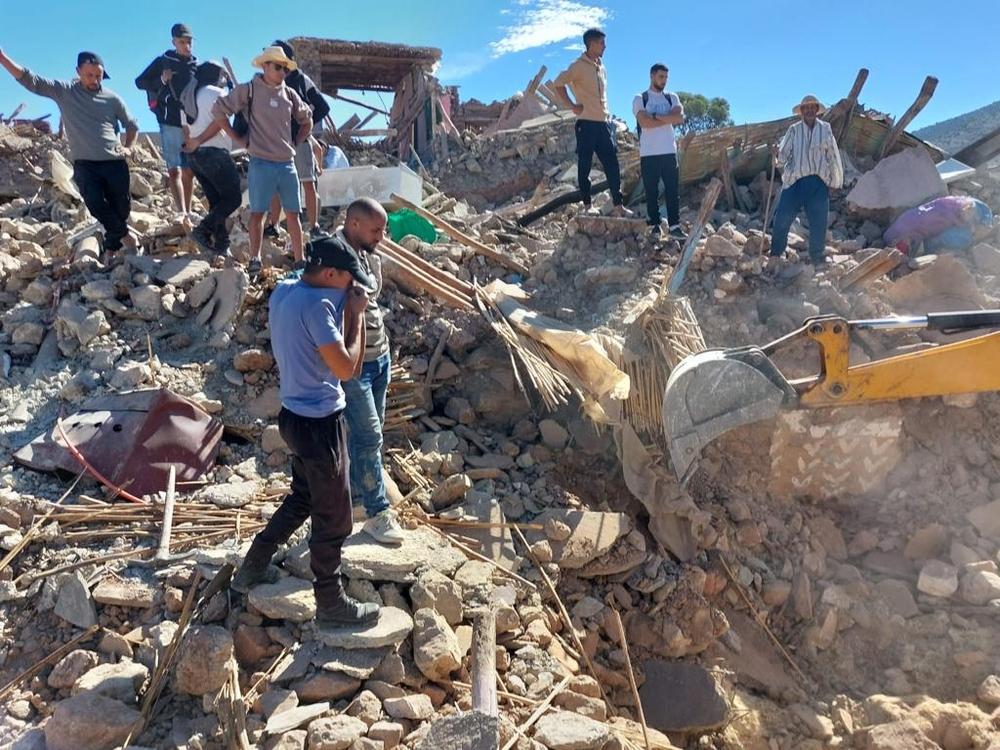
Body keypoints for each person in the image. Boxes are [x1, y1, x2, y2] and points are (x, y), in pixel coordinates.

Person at [232, 235, 380, 627]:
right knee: (334, 518)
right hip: (321, 425)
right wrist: (356, 314)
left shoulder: (285, 291)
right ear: (330, 273)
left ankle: (252, 567)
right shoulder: (319, 310)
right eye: (348, 278)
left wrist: (343, 295)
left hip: (292, 416)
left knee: (302, 497)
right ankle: (331, 603)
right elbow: (347, 369)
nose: (352, 286)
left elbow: (306, 281)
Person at [0, 48, 139, 254]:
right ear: (78, 72)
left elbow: (132, 125)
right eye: (89, 75)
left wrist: (130, 147)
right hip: (85, 164)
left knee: (121, 208)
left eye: (98, 75)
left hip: (114, 161)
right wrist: (3, 59)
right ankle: (127, 238)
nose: (94, 80)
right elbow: (32, 81)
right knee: (95, 204)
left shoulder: (112, 99)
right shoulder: (64, 91)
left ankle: (111, 248)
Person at [335, 198, 404, 545]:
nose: (382, 236)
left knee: (369, 435)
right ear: (354, 224)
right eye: (376, 230)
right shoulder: (335, 256)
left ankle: (359, 497)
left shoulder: (365, 252)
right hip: (354, 365)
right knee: (369, 435)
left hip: (379, 357)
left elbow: (370, 301)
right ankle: (378, 513)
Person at [212, 46, 312, 276]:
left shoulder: (290, 95)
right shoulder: (249, 91)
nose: (282, 72)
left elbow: (307, 119)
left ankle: (300, 260)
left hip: (287, 163)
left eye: (285, 68)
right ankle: (255, 259)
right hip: (261, 162)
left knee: (294, 214)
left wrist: (296, 142)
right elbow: (219, 110)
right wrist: (236, 138)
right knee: (258, 213)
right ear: (265, 66)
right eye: (278, 66)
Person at [553, 28, 632, 217]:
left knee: (612, 165)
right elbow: (558, 83)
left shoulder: (601, 67)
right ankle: (588, 206)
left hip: (603, 123)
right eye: (602, 43)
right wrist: (572, 105)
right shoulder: (578, 66)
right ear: (591, 44)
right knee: (585, 165)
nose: (605, 46)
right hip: (586, 124)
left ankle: (618, 206)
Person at [263, 40, 331, 239]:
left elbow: (323, 106)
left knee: (308, 182)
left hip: (298, 141)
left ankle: (314, 226)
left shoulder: (300, 80)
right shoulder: (268, 82)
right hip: (278, 142)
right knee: (277, 185)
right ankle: (274, 224)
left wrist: (305, 126)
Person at [769, 95, 844, 267]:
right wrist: (777, 154)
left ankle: (817, 257)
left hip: (818, 182)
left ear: (817, 110)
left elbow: (832, 155)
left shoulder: (825, 129)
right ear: (801, 111)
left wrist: (835, 181)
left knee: (819, 222)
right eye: (806, 108)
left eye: (812, 107)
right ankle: (775, 254)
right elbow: (783, 154)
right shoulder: (794, 130)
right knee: (782, 218)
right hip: (795, 181)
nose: (809, 110)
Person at [135, 23, 197, 216]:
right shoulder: (163, 61)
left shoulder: (196, 65)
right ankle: (181, 212)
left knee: (189, 171)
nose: (186, 46)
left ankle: (187, 211)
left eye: (189, 42)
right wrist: (161, 80)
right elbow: (139, 82)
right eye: (182, 42)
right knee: (174, 169)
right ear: (174, 42)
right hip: (169, 121)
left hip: (191, 123)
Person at [181, 61, 240, 257]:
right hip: (215, 153)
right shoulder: (216, 93)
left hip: (195, 157)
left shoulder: (188, 95)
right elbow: (220, 122)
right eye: (222, 76)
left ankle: (221, 246)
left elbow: (185, 128)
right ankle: (203, 229)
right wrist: (199, 140)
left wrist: (192, 143)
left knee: (217, 203)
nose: (224, 80)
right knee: (233, 199)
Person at [633, 64, 685, 240]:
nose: (664, 80)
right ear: (652, 76)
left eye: (666, 77)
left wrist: (654, 116)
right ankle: (655, 226)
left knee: (672, 190)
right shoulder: (641, 98)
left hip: (669, 151)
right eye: (661, 77)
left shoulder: (672, 98)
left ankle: (675, 227)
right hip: (649, 153)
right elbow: (644, 123)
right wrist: (666, 118)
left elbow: (679, 118)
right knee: (651, 191)